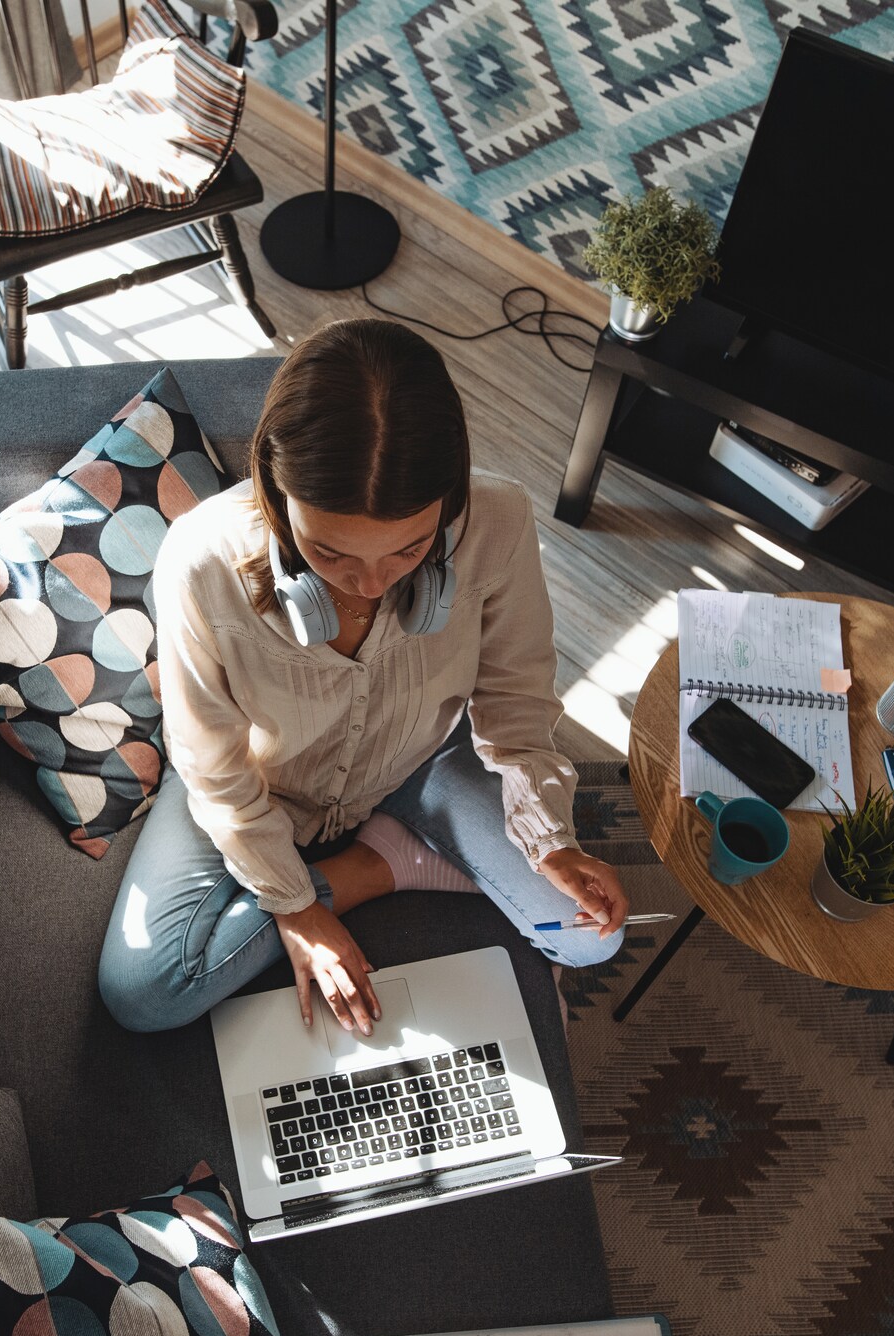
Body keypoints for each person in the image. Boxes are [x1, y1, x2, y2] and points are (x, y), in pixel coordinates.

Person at [97, 319, 627, 1036]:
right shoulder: (201, 561)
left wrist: (549, 838)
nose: (373, 584)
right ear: (277, 492)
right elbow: (213, 768)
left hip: (420, 762)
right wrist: (296, 908)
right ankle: (386, 862)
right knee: (142, 992)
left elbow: (515, 701)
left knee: (590, 936)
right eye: (331, 553)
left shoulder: (499, 521)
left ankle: (382, 863)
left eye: (409, 550)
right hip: (262, 787)